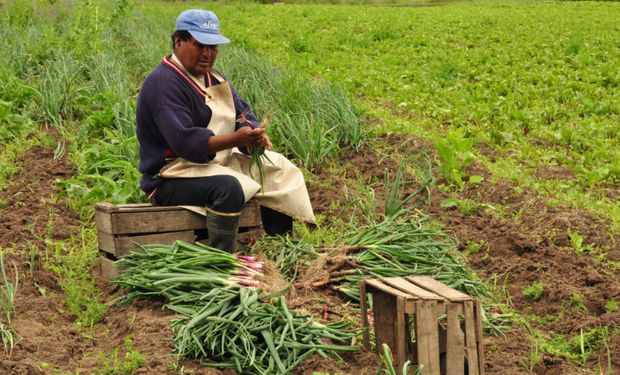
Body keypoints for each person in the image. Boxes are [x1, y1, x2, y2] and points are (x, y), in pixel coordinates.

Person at [136, 9, 315, 252]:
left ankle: (281, 249)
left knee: (280, 170)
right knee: (228, 188)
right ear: (178, 41)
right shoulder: (163, 83)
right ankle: (222, 260)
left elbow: (241, 112)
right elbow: (185, 143)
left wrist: (250, 133)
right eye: (200, 45)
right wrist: (235, 138)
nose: (208, 54)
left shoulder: (214, 77)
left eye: (213, 47)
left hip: (215, 163)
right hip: (172, 175)